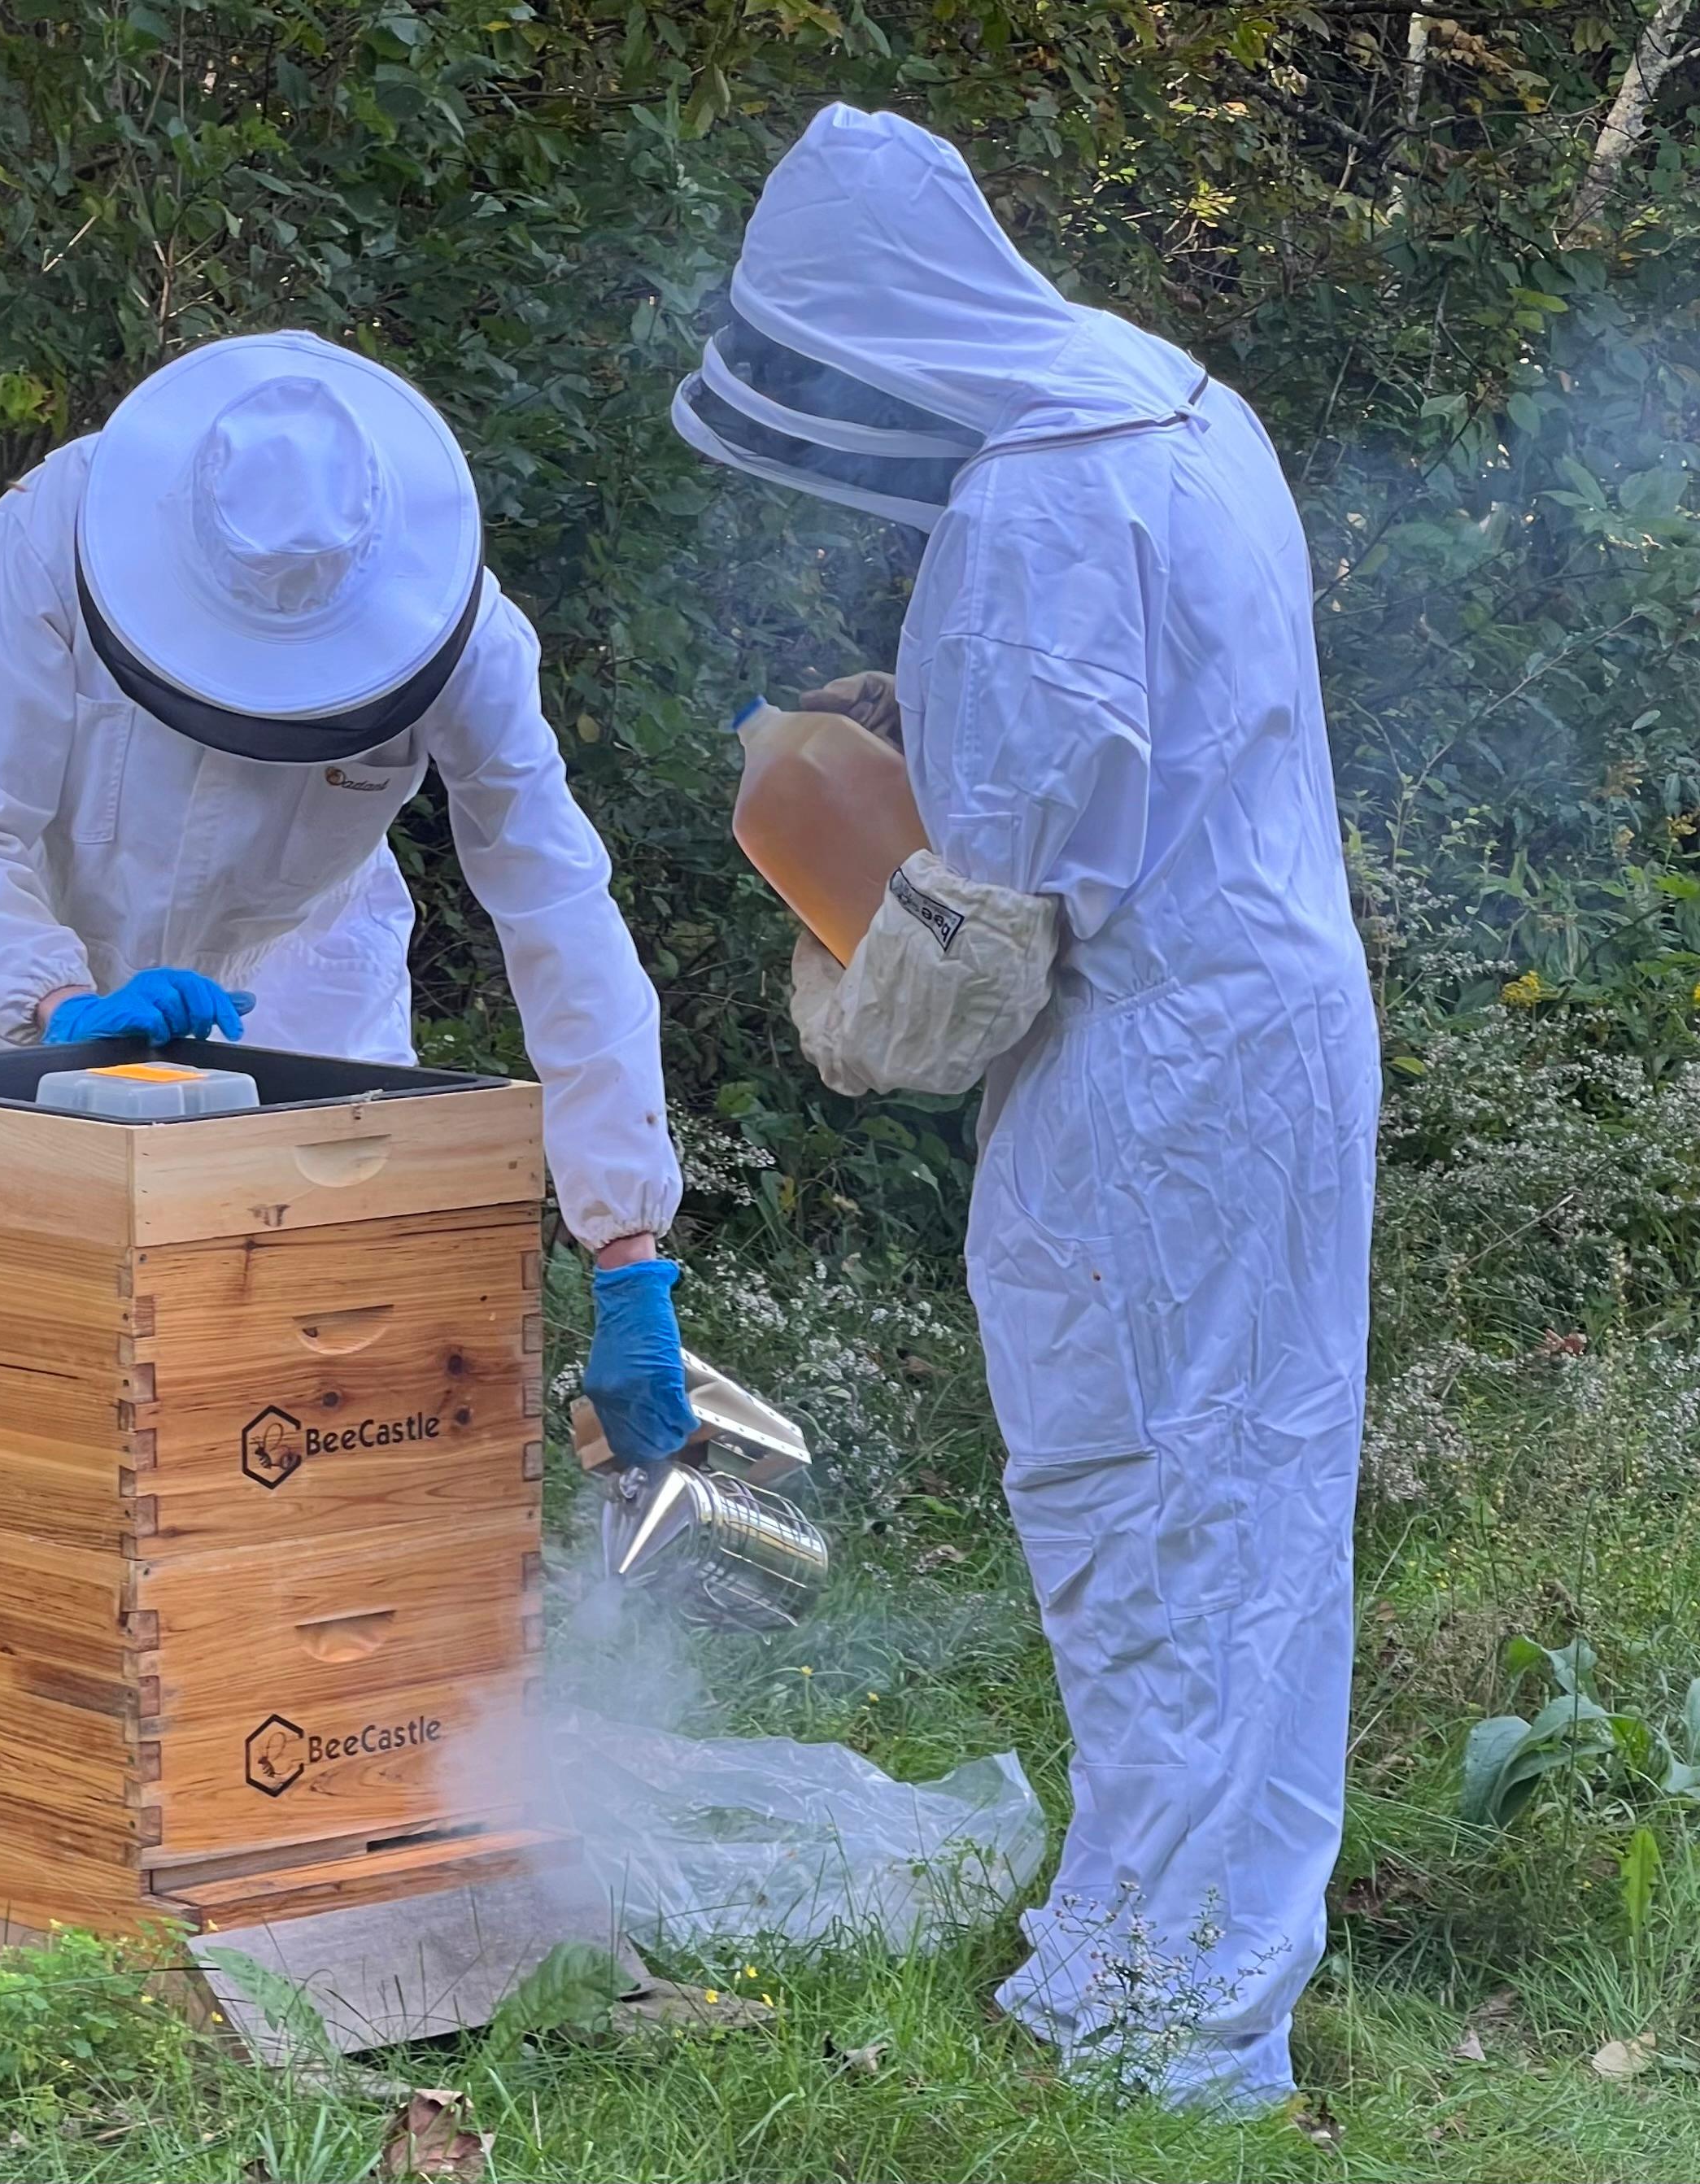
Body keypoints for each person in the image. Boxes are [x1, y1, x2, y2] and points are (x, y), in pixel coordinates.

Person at [677, 106, 1379, 2108]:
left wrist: (836, 983)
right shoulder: (1186, 411)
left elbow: (987, 952)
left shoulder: (1028, 513)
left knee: (1143, 1510)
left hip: (1151, 1080)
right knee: (1245, 1507)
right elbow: (1128, 751)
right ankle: (1163, 1939)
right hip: (1269, 1033)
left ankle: (1168, 2014)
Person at [0, 330, 698, 1465]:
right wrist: (54, 999)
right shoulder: (49, 533)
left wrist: (626, 1244)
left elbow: (555, 900)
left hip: (305, 992)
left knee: (304, 1413)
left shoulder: (466, 633)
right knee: (5, 1410)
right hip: (37, 993)